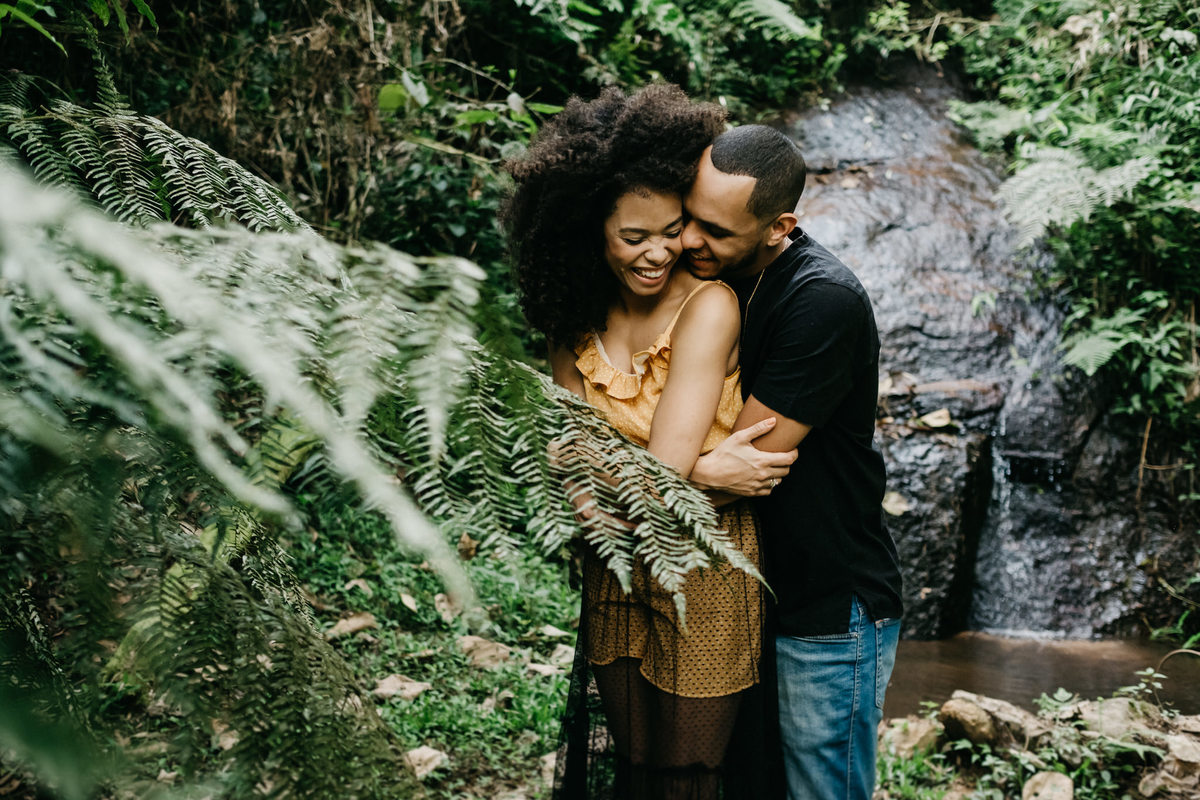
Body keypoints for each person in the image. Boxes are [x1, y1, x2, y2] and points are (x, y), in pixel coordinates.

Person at [502, 85, 777, 800]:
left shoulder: (707, 306)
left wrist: (671, 480)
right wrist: (708, 472)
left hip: (704, 565)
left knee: (687, 777)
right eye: (634, 238)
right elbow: (569, 456)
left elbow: (662, 473)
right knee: (636, 768)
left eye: (673, 230)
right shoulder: (571, 314)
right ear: (590, 231)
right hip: (614, 567)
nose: (660, 253)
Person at [682, 124, 905, 800]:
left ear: (779, 227)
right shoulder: (710, 277)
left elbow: (747, 467)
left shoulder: (821, 299)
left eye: (715, 231)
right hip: (749, 597)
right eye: (689, 217)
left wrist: (648, 484)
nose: (688, 240)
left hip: (826, 608)